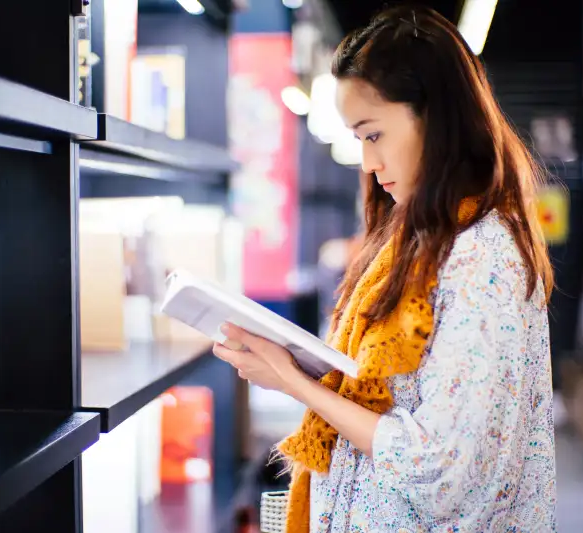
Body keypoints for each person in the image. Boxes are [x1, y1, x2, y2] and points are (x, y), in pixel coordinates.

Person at [213, 5, 556, 533]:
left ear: (435, 119)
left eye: (374, 134)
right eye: (359, 140)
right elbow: (403, 397)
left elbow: (442, 469)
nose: (368, 164)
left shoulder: (482, 257)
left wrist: (293, 382)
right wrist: (303, 368)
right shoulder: (416, 239)